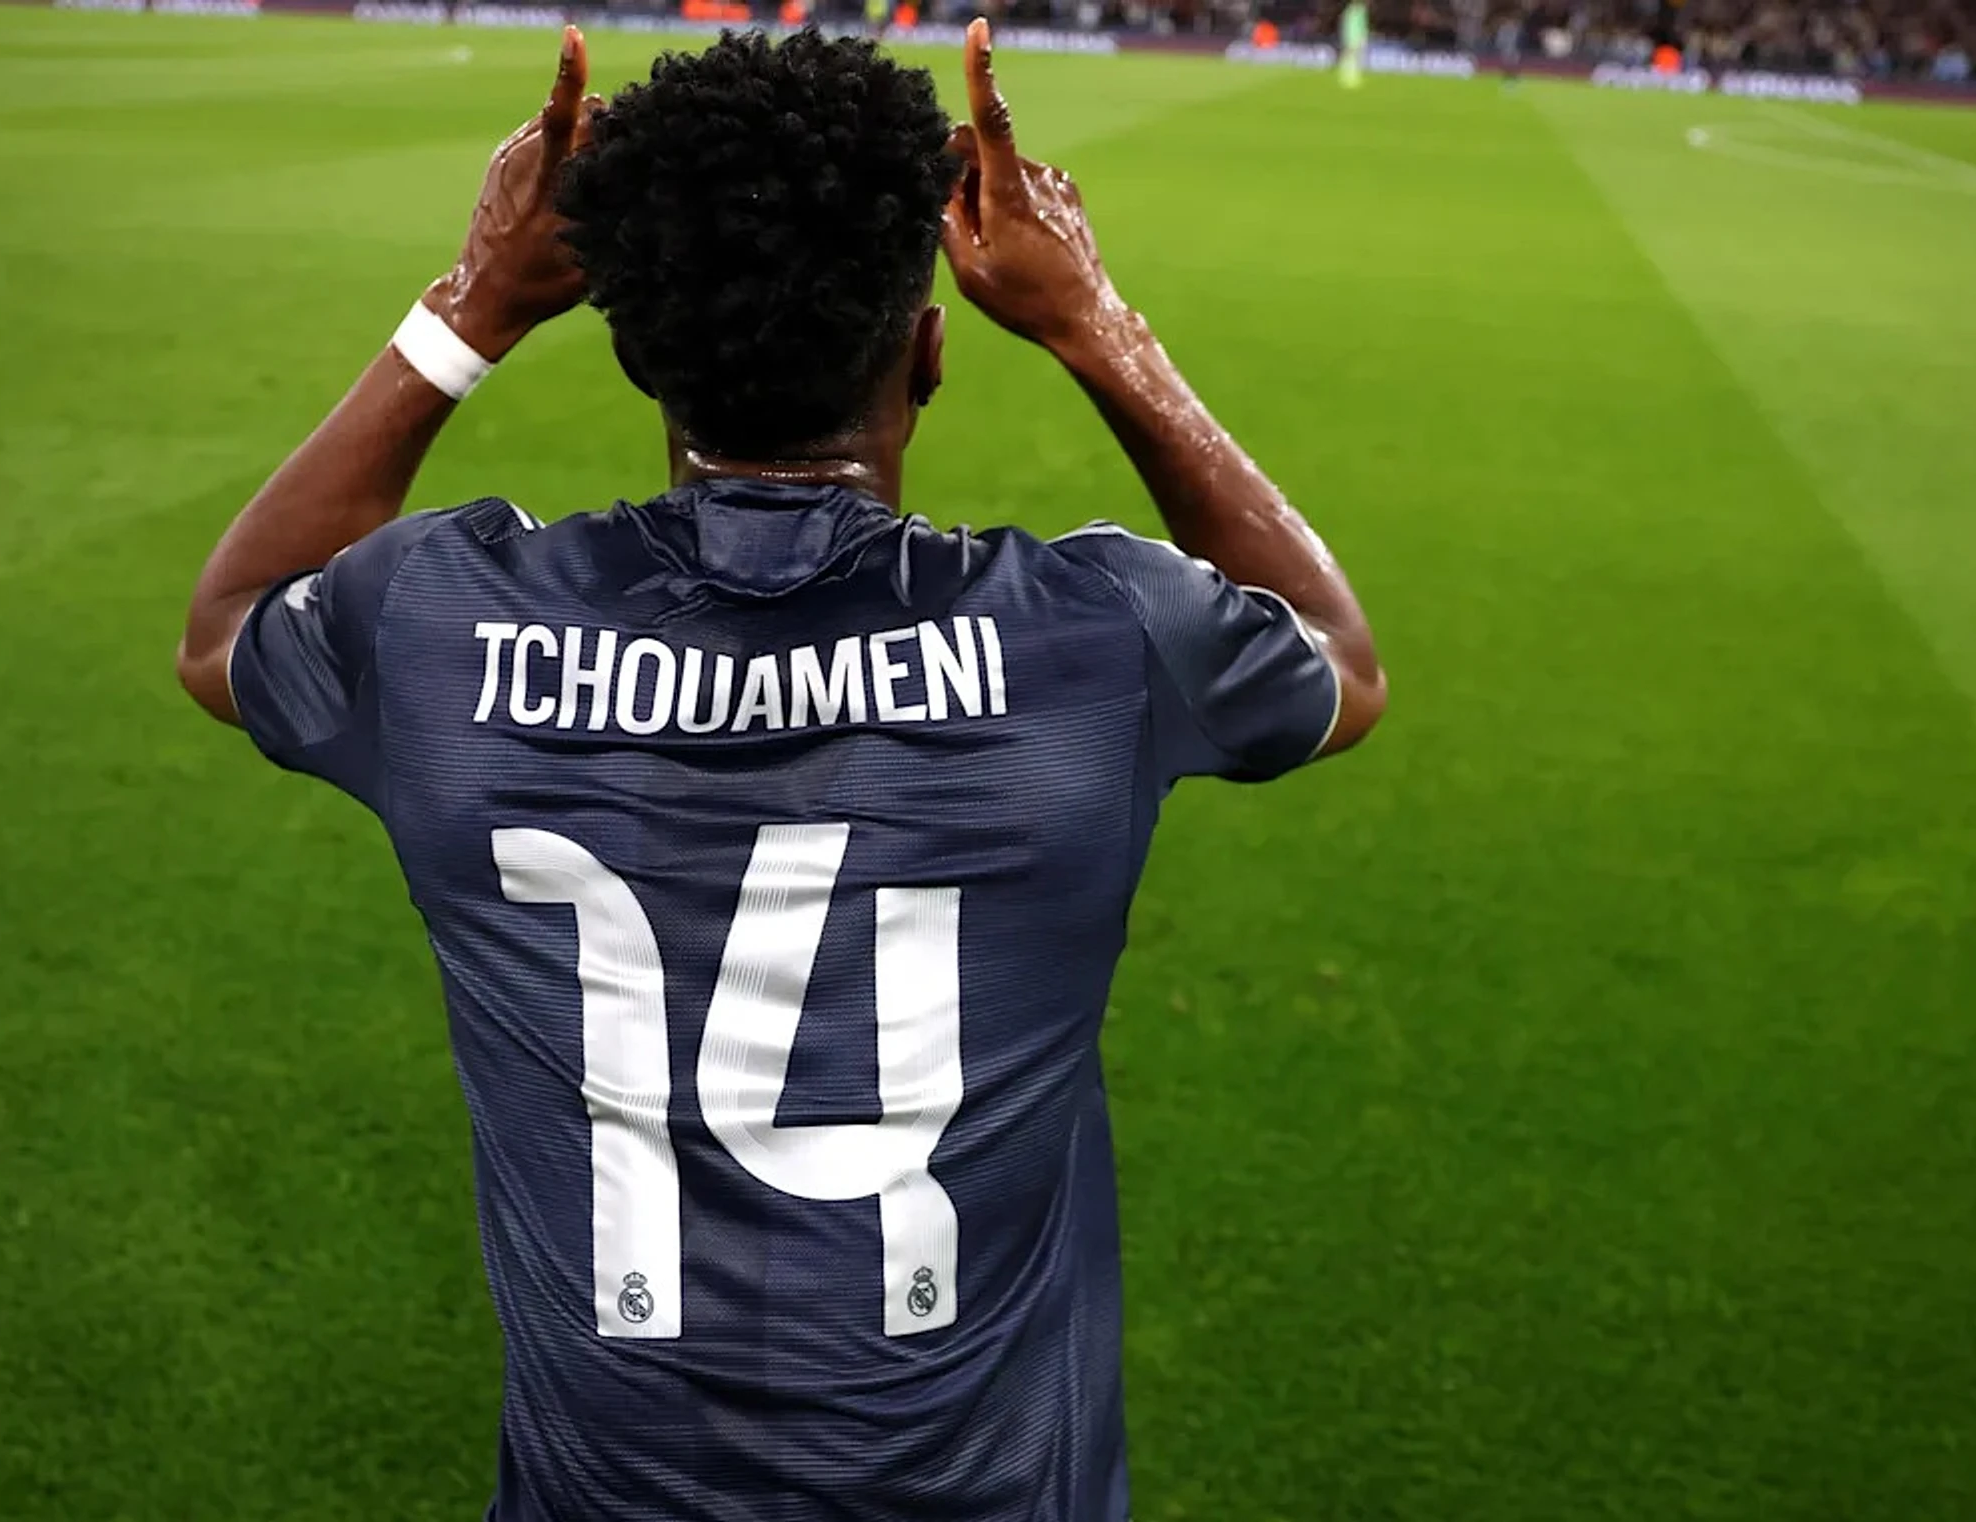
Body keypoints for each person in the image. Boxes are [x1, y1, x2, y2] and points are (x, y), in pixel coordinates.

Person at [176, 20, 1383, 1520]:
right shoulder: (1099, 635)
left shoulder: (440, 622)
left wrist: (471, 307)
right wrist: (1094, 323)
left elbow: (227, 624)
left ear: (632, 348)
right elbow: (1336, 661)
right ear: (928, 352)